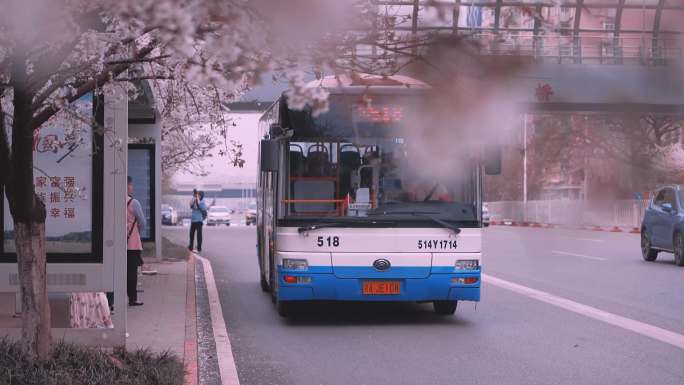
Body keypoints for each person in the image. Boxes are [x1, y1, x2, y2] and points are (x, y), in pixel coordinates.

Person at [126, 176, 146, 306]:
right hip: (131, 244)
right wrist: (136, 233)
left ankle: (111, 301)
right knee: (131, 272)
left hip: (116, 244)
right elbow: (143, 223)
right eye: (131, 185)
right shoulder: (133, 203)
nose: (132, 187)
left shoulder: (113, 201)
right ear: (126, 186)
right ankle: (132, 299)